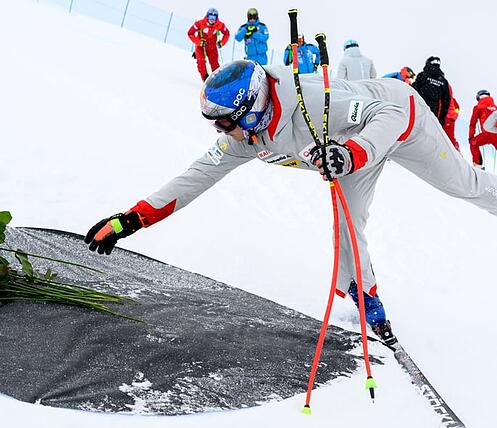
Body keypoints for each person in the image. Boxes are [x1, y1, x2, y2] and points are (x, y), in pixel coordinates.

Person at [84, 61, 497, 347]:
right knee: (347, 224)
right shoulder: (244, 139)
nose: (219, 130)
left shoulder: (310, 103)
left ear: (249, 110)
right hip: (347, 151)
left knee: (463, 184)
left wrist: (352, 153)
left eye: (224, 121)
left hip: (399, 121)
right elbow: (195, 176)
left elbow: (389, 114)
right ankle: (367, 296)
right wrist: (131, 219)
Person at [187, 8, 230, 81]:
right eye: (210, 17)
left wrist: (222, 42)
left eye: (214, 18)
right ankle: (205, 79)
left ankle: (218, 80)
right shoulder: (200, 23)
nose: (212, 20)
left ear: (217, 18)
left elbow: (227, 34)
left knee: (215, 64)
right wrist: (199, 42)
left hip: (212, 48)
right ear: (207, 16)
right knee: (201, 62)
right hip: (201, 47)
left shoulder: (220, 25)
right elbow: (190, 33)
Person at [412, 56, 451, 126]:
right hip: (433, 111)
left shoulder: (422, 75)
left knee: (416, 129)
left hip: (419, 108)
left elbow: (413, 91)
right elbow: (446, 101)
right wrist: (442, 118)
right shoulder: (443, 81)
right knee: (428, 130)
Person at [469, 90, 497, 169]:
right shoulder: (495, 108)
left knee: (473, 144)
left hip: (487, 134)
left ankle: (478, 165)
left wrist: (471, 137)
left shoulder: (478, 107)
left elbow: (472, 123)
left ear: (478, 97)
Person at [443, 84, 460, 151]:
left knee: (449, 138)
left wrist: (453, 116)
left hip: (448, 119)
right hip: (446, 119)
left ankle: (456, 151)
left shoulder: (452, 100)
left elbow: (457, 108)